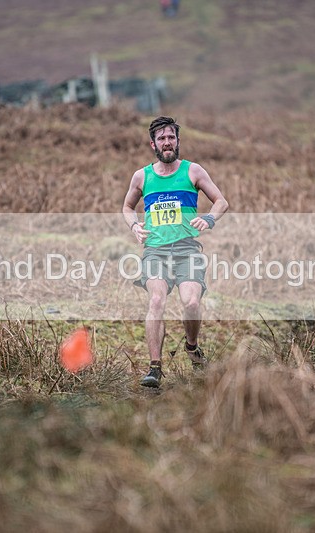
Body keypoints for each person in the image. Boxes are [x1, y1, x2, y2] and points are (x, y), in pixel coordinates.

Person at [122, 116, 229, 388]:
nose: (167, 143)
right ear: (153, 144)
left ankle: (191, 347)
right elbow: (127, 207)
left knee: (191, 303)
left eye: (171, 137)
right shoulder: (142, 176)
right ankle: (155, 368)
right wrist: (135, 226)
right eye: (161, 139)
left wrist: (209, 219)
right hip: (155, 251)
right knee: (156, 301)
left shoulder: (193, 171)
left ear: (178, 141)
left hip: (187, 250)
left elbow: (221, 201)